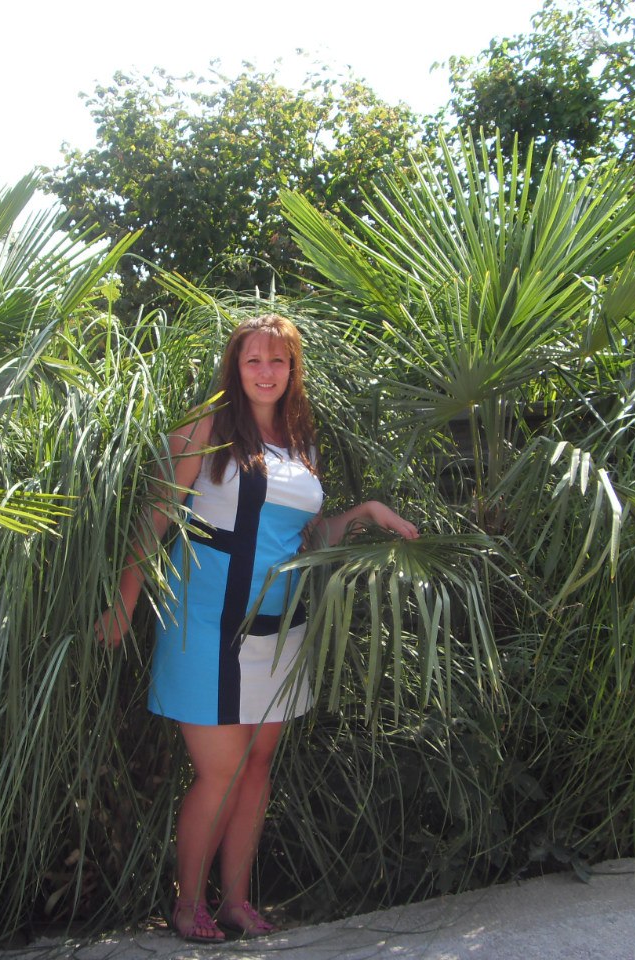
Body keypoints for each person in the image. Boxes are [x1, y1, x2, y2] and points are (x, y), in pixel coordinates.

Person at [96, 314, 418, 942]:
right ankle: (188, 905)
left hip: (282, 628)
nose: (266, 372)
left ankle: (237, 902)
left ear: (293, 369)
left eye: (278, 360)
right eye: (253, 360)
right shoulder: (205, 429)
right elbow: (155, 518)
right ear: (235, 367)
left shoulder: (301, 444)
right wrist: (125, 601)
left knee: (256, 767)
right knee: (220, 771)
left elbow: (304, 539)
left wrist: (365, 513)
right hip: (208, 626)